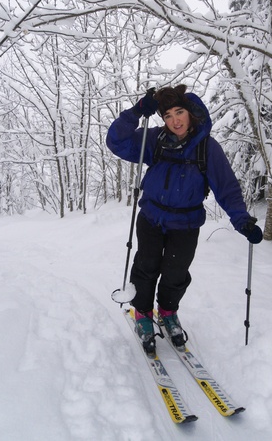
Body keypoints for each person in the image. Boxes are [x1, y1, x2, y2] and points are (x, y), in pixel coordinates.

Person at [107, 85, 262, 356]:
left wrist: (242, 221)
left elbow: (226, 187)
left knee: (176, 274)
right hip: (151, 218)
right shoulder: (154, 139)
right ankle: (143, 314)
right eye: (167, 115)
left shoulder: (206, 148)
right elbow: (117, 142)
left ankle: (167, 312)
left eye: (179, 112)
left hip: (186, 224)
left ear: (191, 113)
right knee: (146, 268)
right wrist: (135, 112)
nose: (175, 120)